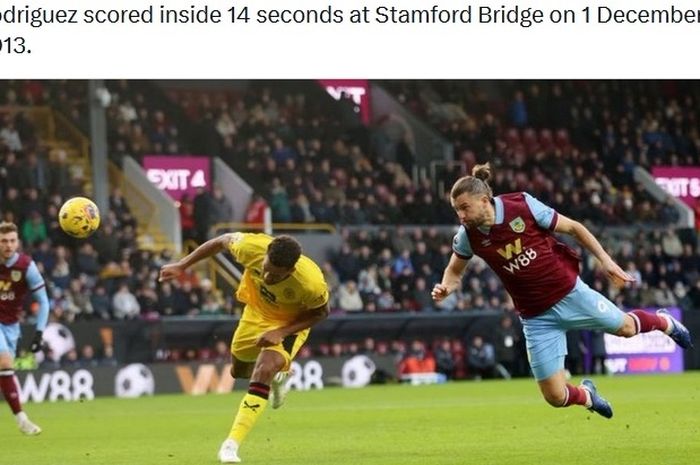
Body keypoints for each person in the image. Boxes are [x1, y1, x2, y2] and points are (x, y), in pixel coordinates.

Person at [432, 163, 693, 419]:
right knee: (555, 397)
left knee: (625, 328)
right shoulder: (467, 235)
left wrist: (605, 260)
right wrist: (446, 287)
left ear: (485, 199)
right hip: (536, 318)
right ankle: (588, 396)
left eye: (465, 208)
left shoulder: (521, 205)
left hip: (570, 294)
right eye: (457, 210)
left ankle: (665, 322)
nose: (461, 216)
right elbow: (455, 271)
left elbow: (574, 228)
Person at [159, 232, 329, 463]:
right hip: (255, 313)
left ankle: (230, 445)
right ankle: (279, 376)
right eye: (265, 268)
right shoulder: (251, 247)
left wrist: (281, 332)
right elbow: (220, 242)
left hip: (289, 323)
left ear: (290, 271)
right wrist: (182, 265)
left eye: (275, 275)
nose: (267, 276)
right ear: (266, 254)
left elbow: (321, 313)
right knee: (238, 371)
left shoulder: (311, 283)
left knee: (264, 369)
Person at [0, 222, 49, 435]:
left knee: (4, 370)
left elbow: (44, 301)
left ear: (18, 242)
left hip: (11, 326)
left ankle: (21, 420)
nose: (8, 245)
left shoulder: (26, 266)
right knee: (4, 361)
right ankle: (22, 420)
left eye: (12, 240)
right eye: (3, 241)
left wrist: (39, 332)